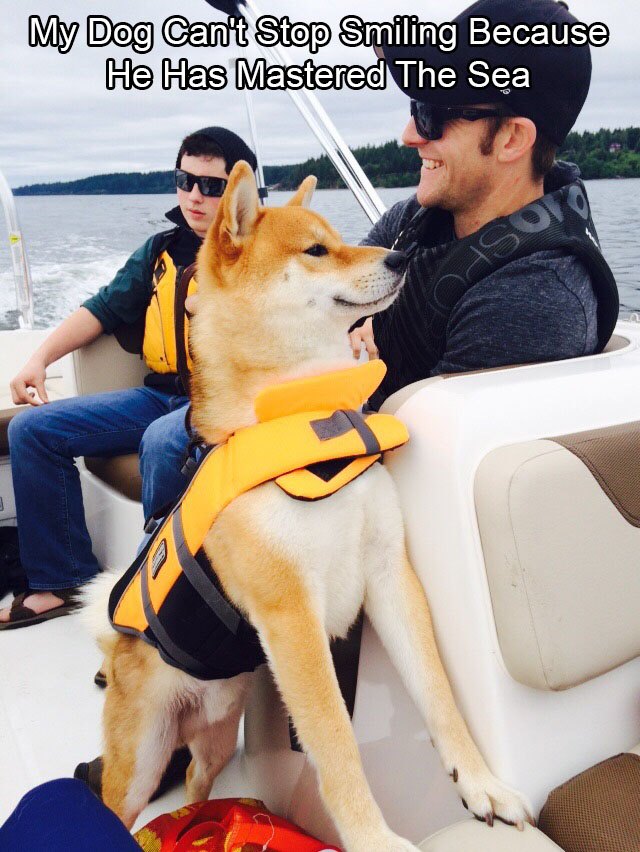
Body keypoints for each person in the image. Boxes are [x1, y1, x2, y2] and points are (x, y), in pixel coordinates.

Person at [0, 127, 258, 629]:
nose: (194, 196)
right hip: (156, 396)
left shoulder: (260, 250)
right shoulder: (159, 251)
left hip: (224, 404)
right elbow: (101, 309)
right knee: (31, 431)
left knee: (163, 442)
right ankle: (63, 579)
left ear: (238, 192)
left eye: (211, 185)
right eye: (185, 180)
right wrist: (38, 358)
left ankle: (156, 601)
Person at [350, 0, 618, 410]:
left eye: (431, 112)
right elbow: (327, 305)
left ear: (512, 139)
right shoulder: (414, 220)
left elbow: (424, 456)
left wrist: (355, 355)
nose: (408, 135)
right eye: (415, 105)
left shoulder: (531, 301)